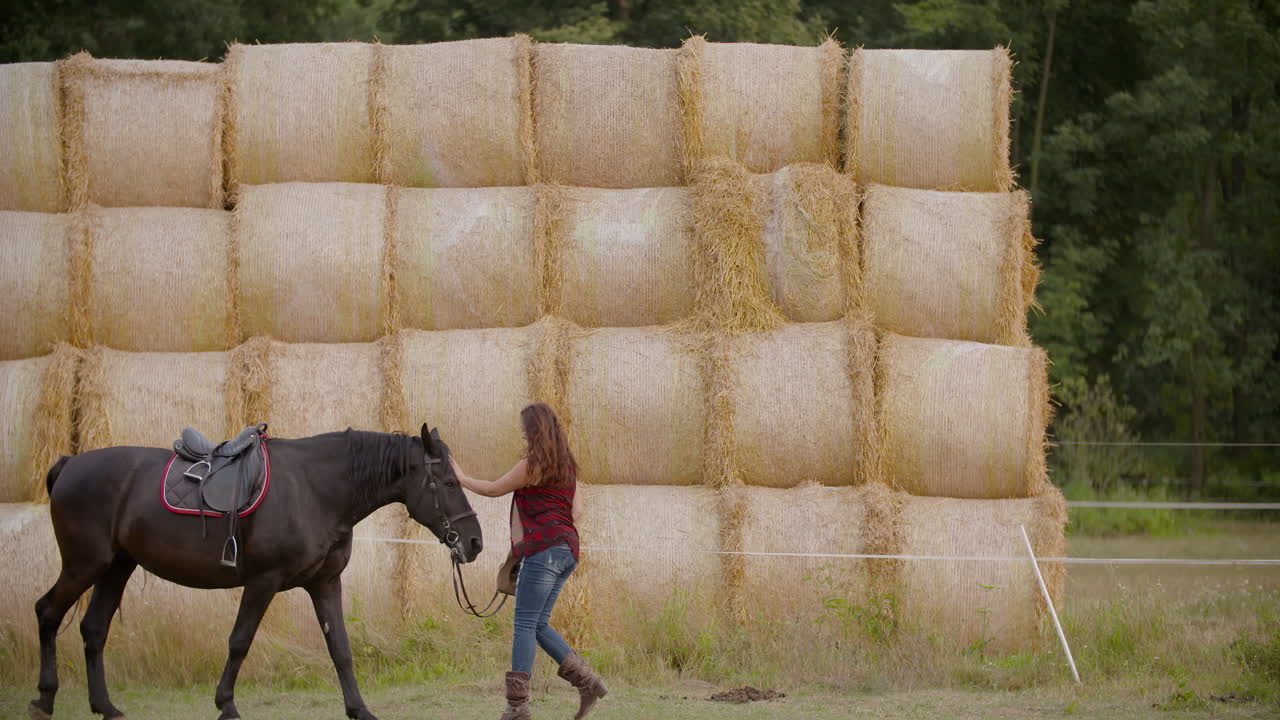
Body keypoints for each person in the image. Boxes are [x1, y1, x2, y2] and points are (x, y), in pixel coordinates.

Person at [451, 402, 607, 720]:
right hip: (568, 550)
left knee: (524, 624)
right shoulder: (568, 466)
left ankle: (517, 707)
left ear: (532, 431)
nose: (523, 433)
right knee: (538, 624)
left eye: (525, 429)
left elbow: (494, 489)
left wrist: (462, 477)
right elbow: (576, 512)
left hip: (544, 550)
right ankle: (588, 683)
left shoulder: (533, 464)